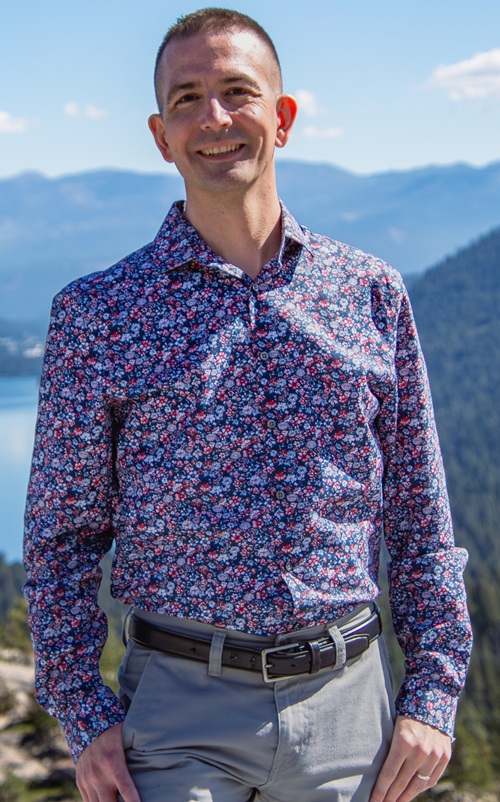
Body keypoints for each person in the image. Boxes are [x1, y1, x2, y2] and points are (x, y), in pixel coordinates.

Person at [24, 8, 472, 802]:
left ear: (283, 116)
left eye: (237, 91)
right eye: (188, 98)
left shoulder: (370, 296)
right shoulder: (98, 314)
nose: (215, 119)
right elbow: (60, 538)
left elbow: (421, 520)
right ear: (161, 135)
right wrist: (83, 715)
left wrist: (433, 698)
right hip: (175, 717)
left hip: (351, 716)